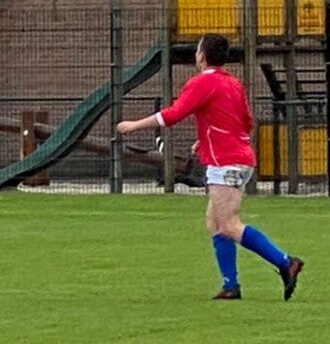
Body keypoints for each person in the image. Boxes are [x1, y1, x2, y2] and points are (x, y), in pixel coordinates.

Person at [116, 33, 302, 300]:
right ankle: (230, 286)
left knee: (229, 224)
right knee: (215, 222)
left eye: (198, 49)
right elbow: (246, 122)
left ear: (202, 55)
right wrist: (204, 139)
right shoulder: (232, 83)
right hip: (237, 157)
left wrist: (134, 125)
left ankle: (286, 262)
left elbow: (174, 114)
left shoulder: (203, 82)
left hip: (225, 161)